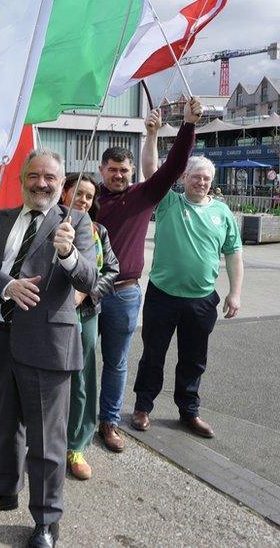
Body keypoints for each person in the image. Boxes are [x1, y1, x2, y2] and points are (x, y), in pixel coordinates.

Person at [0, 150, 97, 548]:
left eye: (50, 177)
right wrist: (6, 285)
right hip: (1, 340)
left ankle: (46, 520)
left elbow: (89, 277)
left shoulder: (77, 222)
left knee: (46, 440)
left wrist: (68, 254)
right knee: (6, 425)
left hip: (48, 345)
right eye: (34, 175)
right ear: (22, 179)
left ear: (60, 182)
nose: (41, 183)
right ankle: (4, 490)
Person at [94, 99, 200, 454]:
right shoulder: (89, 201)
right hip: (85, 295)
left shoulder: (143, 195)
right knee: (74, 361)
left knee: (116, 362)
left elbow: (173, 167)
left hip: (123, 295)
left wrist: (187, 125)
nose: (119, 175)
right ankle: (74, 420)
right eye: (112, 170)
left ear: (130, 172)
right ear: (101, 169)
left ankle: (108, 422)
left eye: (124, 170)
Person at [129, 156, 243, 439]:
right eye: (195, 176)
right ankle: (143, 407)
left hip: (202, 300)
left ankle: (189, 411)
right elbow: (150, 171)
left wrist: (235, 292)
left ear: (211, 182)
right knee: (153, 355)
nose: (201, 182)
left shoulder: (222, 212)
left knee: (194, 359)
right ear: (183, 178)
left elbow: (233, 253)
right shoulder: (169, 202)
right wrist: (153, 135)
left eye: (206, 178)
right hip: (163, 296)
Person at [60, 173, 119, 480]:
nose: (83, 200)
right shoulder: (46, 226)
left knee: (82, 381)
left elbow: (112, 270)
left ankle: (76, 444)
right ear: (63, 193)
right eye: (77, 193)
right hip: (51, 316)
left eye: (88, 196)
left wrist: (86, 292)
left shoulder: (99, 232)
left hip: (85, 314)